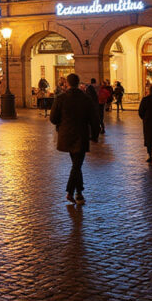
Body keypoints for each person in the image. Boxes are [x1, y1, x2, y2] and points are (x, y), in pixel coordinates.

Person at [50, 73, 99, 205]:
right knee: (77, 165)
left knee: (76, 165)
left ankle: (79, 193)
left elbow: (53, 119)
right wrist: (95, 135)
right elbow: (94, 119)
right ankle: (72, 192)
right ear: (79, 83)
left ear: (67, 83)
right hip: (81, 134)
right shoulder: (86, 99)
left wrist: (62, 124)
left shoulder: (60, 98)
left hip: (66, 135)